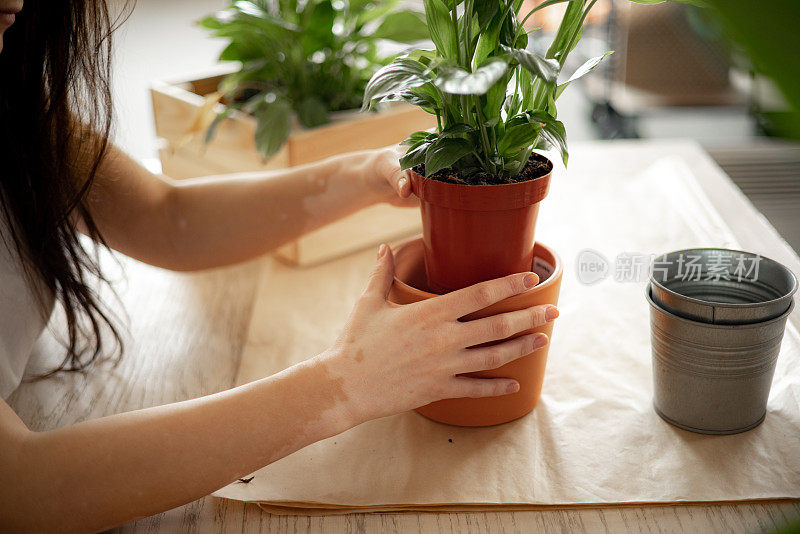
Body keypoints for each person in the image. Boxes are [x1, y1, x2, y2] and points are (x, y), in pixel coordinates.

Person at [0, 2, 557, 531]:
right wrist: (345, 384)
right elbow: (20, 488)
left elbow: (165, 219)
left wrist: (364, 173)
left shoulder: (15, 100)